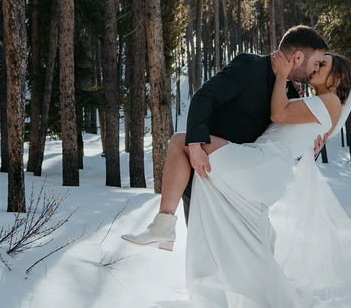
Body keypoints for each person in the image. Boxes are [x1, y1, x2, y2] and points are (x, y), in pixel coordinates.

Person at [183, 51, 351, 308]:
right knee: (253, 244)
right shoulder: (321, 102)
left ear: (336, 78)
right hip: (264, 166)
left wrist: (279, 76)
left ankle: (164, 222)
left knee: (184, 142)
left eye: (322, 65)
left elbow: (279, 113)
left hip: (263, 165)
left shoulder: (330, 100)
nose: (316, 68)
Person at [121, 25, 329, 251]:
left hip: (242, 182)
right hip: (205, 169)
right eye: (316, 63)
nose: (316, 70)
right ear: (298, 57)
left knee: (246, 252)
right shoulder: (250, 66)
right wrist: (196, 147)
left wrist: (310, 150)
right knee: (206, 251)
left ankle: (163, 227)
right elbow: (204, 97)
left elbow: (278, 144)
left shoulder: (288, 94)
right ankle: (163, 228)